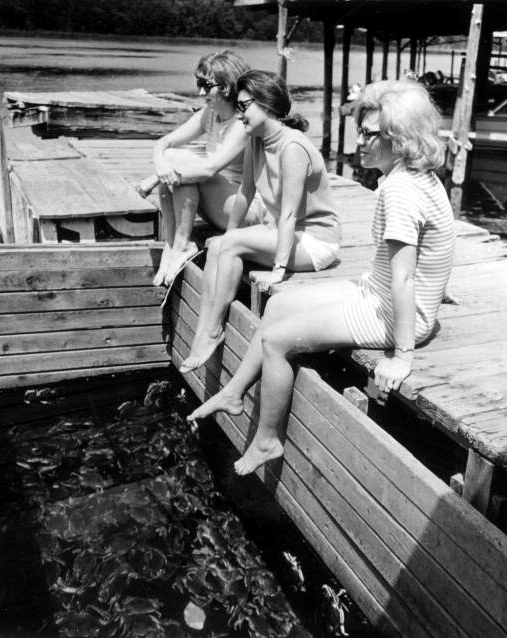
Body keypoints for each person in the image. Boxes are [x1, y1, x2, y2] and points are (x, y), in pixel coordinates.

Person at [187, 79, 455, 476]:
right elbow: (429, 253)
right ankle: (233, 392)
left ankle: (267, 440)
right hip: (376, 292)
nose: (359, 141)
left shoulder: (401, 191)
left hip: (392, 314)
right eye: (358, 130)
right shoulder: (414, 178)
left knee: (277, 341)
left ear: (400, 139)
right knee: (278, 302)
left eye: (369, 134)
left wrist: (402, 358)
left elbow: (404, 280)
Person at [179, 70, 342, 373]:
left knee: (231, 244)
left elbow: (291, 213)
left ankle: (213, 332)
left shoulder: (293, 146)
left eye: (244, 107)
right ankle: (204, 332)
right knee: (218, 245)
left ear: (266, 104)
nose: (239, 115)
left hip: (315, 240)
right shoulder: (257, 140)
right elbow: (245, 192)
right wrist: (228, 234)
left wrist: (278, 271)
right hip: (282, 230)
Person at [137, 50, 267, 286]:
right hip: (217, 202)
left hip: (245, 211)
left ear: (226, 86)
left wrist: (158, 176)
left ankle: (183, 244)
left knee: (182, 161)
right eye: (199, 84)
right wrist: (161, 163)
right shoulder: (210, 113)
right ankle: (173, 244)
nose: (200, 92)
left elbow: (209, 169)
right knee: (174, 155)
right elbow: (165, 143)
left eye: (206, 85)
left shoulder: (242, 122)